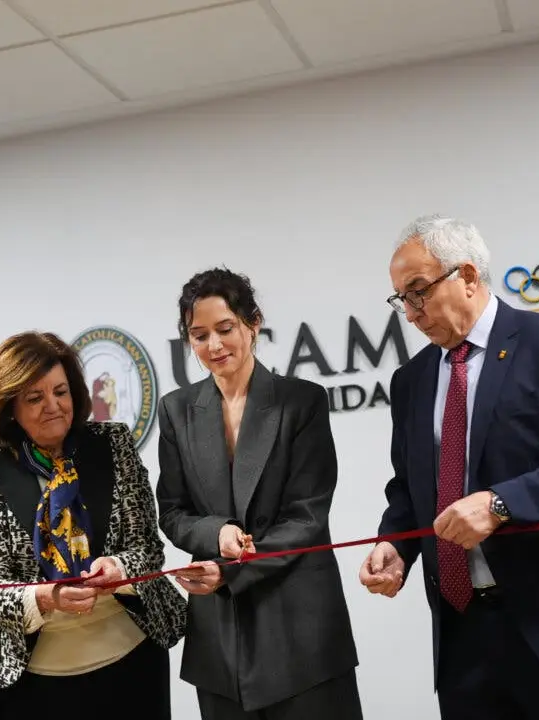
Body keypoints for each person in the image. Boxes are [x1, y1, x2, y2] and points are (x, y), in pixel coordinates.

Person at [358, 215, 539, 719]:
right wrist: (396, 545)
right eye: (400, 299)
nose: (409, 314)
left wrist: (501, 504)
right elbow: (410, 488)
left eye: (417, 292)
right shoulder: (411, 380)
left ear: (468, 276)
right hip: (464, 640)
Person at [156, 268, 364, 720]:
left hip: (301, 632)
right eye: (199, 334)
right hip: (220, 645)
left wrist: (230, 570)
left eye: (225, 329)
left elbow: (307, 517)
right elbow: (172, 512)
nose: (214, 346)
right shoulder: (176, 410)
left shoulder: (301, 401)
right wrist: (218, 535)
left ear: (254, 322)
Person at [0, 331, 186, 718]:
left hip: (133, 663)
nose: (53, 406)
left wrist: (119, 568)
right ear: (10, 406)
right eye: (35, 397)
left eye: (60, 392)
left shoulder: (112, 443)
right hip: (36, 681)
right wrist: (47, 597)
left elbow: (148, 548)